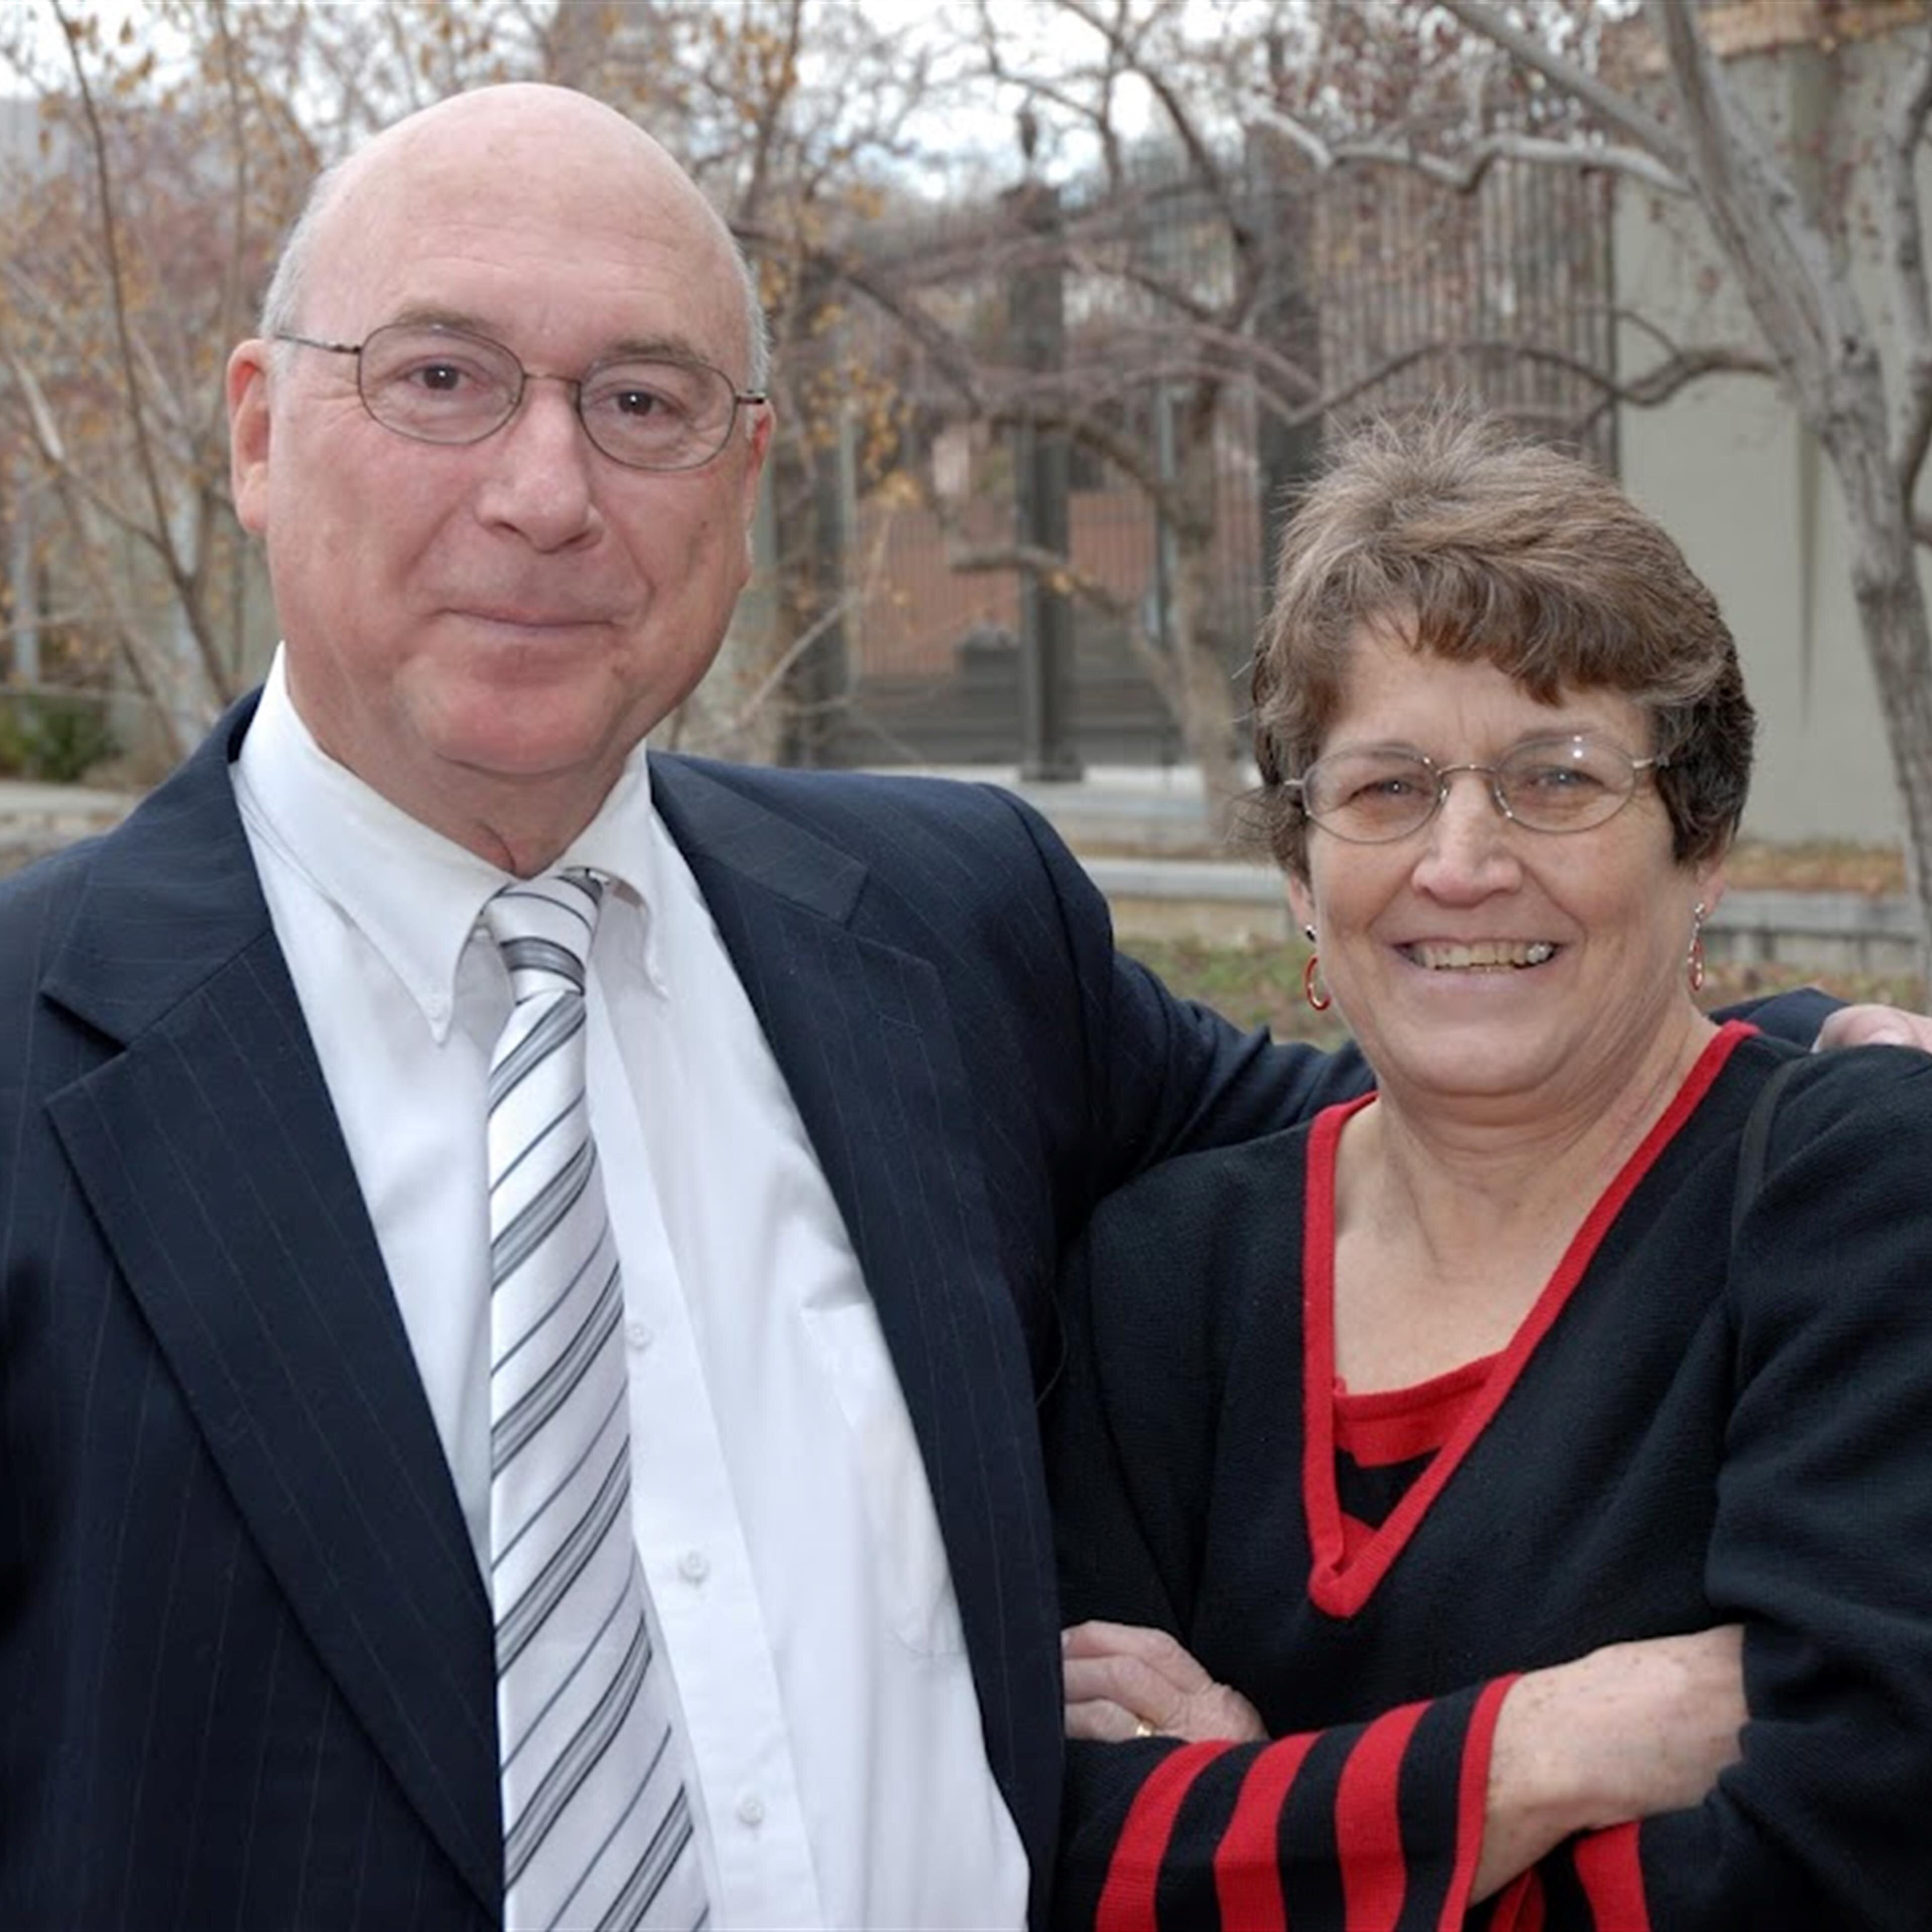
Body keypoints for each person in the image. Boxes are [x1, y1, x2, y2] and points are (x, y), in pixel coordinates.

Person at [0, 87, 1912, 1932]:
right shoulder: (32, 1055)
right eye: (442, 378)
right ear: (259, 432)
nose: (547, 490)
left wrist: (1811, 1065)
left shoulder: (945, 927)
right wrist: (1520, 1760)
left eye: (644, 402)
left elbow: (1416, 1099)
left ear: (748, 475)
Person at [1048, 414, 1932, 1930]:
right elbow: (1066, 1855)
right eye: (1387, 789)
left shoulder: (1860, 1197)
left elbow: (1851, 1847)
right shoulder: (1158, 1277)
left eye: (1557, 778)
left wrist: (1279, 1828)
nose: (1462, 863)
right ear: (1300, 872)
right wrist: (1541, 1752)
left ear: (1702, 846)